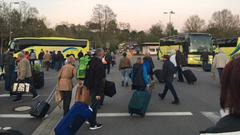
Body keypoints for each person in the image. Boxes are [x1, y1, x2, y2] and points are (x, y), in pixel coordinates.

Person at [200, 58, 240, 134]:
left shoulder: (217, 132)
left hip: (219, 67)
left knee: (221, 74)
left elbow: (214, 63)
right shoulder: (225, 56)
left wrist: (212, 71)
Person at [86, 48, 106, 130]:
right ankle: (93, 124)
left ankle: (89, 119)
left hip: (91, 86)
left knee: (92, 105)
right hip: (96, 88)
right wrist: (98, 93)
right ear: (101, 54)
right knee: (94, 106)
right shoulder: (99, 64)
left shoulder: (91, 61)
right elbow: (99, 79)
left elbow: (88, 75)